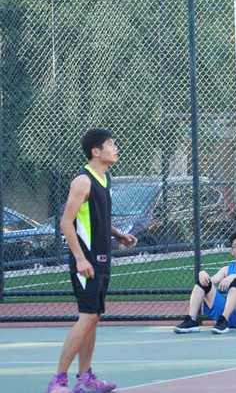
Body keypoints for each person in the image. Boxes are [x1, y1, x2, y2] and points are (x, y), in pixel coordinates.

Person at [46, 129, 138, 393]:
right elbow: (66, 222)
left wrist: (117, 234)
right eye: (111, 144)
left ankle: (85, 377)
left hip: (101, 259)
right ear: (96, 151)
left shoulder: (105, 178)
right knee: (86, 317)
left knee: (94, 317)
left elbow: (96, 217)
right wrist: (80, 259)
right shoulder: (82, 181)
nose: (115, 148)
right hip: (86, 262)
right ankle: (58, 381)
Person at [173, 230, 236, 335]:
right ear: (232, 251)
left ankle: (223, 321)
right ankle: (192, 320)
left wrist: (233, 276)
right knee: (203, 282)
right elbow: (210, 281)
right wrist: (202, 274)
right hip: (228, 311)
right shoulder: (226, 269)